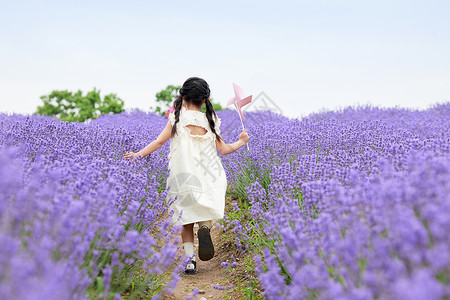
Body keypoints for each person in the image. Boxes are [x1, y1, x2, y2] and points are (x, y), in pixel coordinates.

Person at [123, 77, 250, 275]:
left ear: (183, 97)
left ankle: (189, 261)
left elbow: (158, 142)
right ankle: (206, 228)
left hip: (183, 175)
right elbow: (224, 149)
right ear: (206, 99)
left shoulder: (176, 119)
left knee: (186, 218)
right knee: (204, 209)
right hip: (209, 174)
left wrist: (137, 155)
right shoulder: (211, 120)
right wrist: (241, 141)